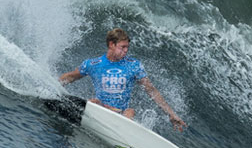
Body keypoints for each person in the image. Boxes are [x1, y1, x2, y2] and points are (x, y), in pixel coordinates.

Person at [59, 28, 187, 132]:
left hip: (122, 114)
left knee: (131, 111)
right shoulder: (93, 64)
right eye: (122, 47)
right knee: (93, 101)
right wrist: (54, 85)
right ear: (111, 44)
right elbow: (71, 76)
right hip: (101, 109)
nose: (126, 51)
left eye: (127, 48)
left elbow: (151, 90)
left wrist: (171, 113)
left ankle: (125, 135)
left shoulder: (133, 66)